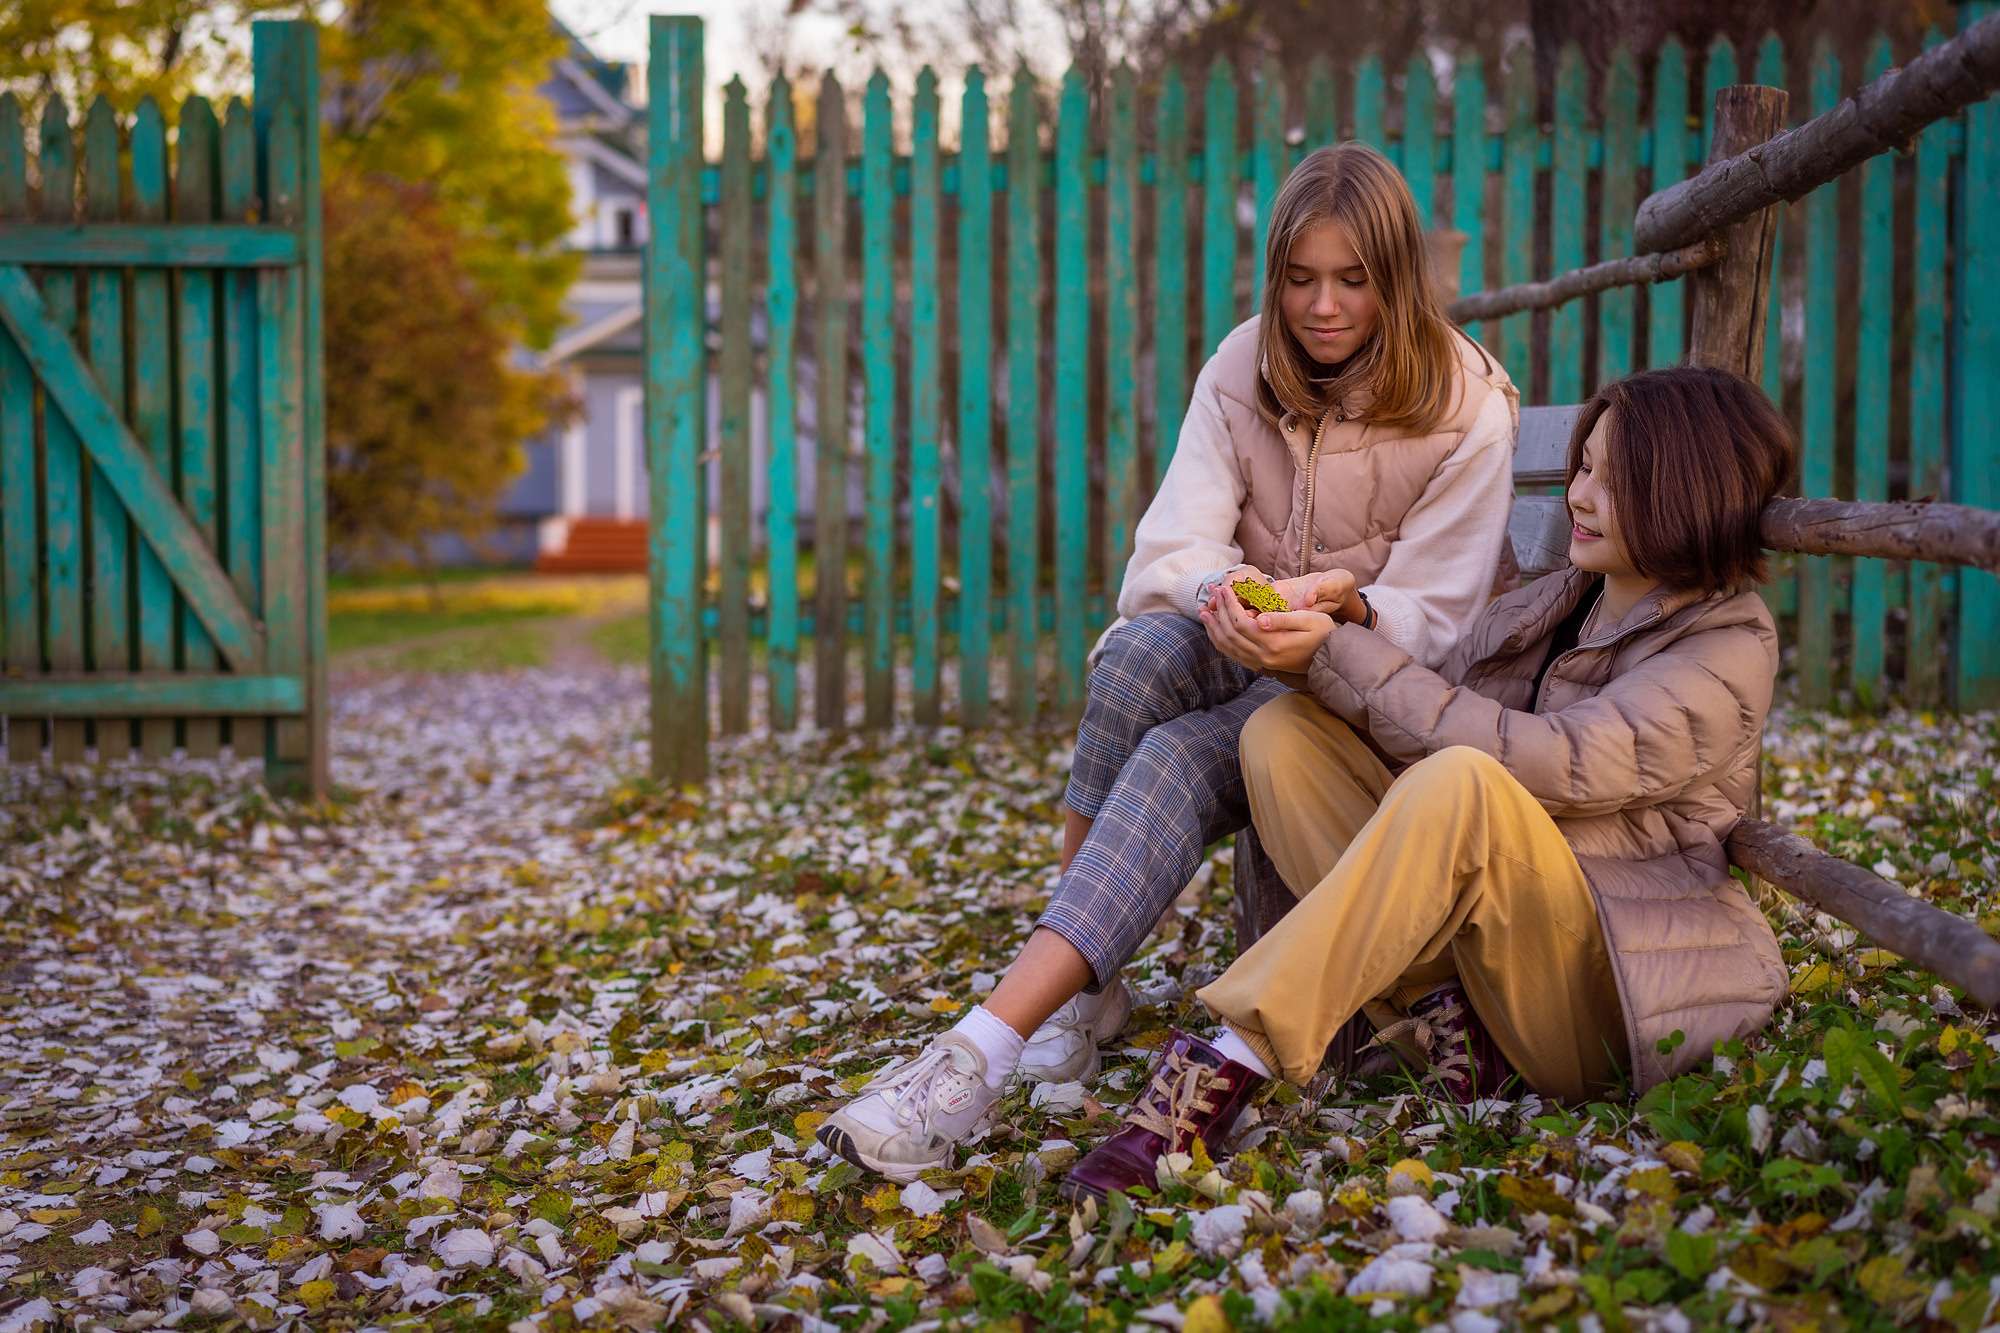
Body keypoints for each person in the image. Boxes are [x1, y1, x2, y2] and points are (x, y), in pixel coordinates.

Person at [817, 143, 1521, 1184]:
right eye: (1298, 279)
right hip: (1251, 656)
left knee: (1181, 754)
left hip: (1366, 700)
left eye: (1351, 280)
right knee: (1141, 653)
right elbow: (1172, 545)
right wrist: (1219, 596)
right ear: (1272, 274)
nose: (1321, 307)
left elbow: (1444, 620)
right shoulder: (1241, 365)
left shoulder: (1466, 402)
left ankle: (995, 1037)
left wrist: (1338, 611)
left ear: (1394, 277)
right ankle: (1021, 1026)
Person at [1057, 364, 1797, 1202]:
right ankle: (1452, 1025)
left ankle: (1222, 1068)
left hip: (1603, 998)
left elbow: (1543, 763)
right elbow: (1431, 726)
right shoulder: (1561, 600)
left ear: (1684, 494)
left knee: (1463, 782)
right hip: (1499, 959)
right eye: (1582, 467)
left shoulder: (1726, 649)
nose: (1580, 497)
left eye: (1614, 481)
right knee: (1283, 735)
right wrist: (1337, 623)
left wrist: (1335, 650)